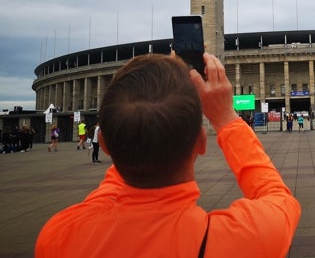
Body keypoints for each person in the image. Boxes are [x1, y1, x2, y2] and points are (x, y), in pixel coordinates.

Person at [36, 53, 301, 257]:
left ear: (104, 144)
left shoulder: (60, 235)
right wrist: (226, 118)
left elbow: (112, 188)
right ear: (200, 142)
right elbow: (276, 195)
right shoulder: (241, 240)